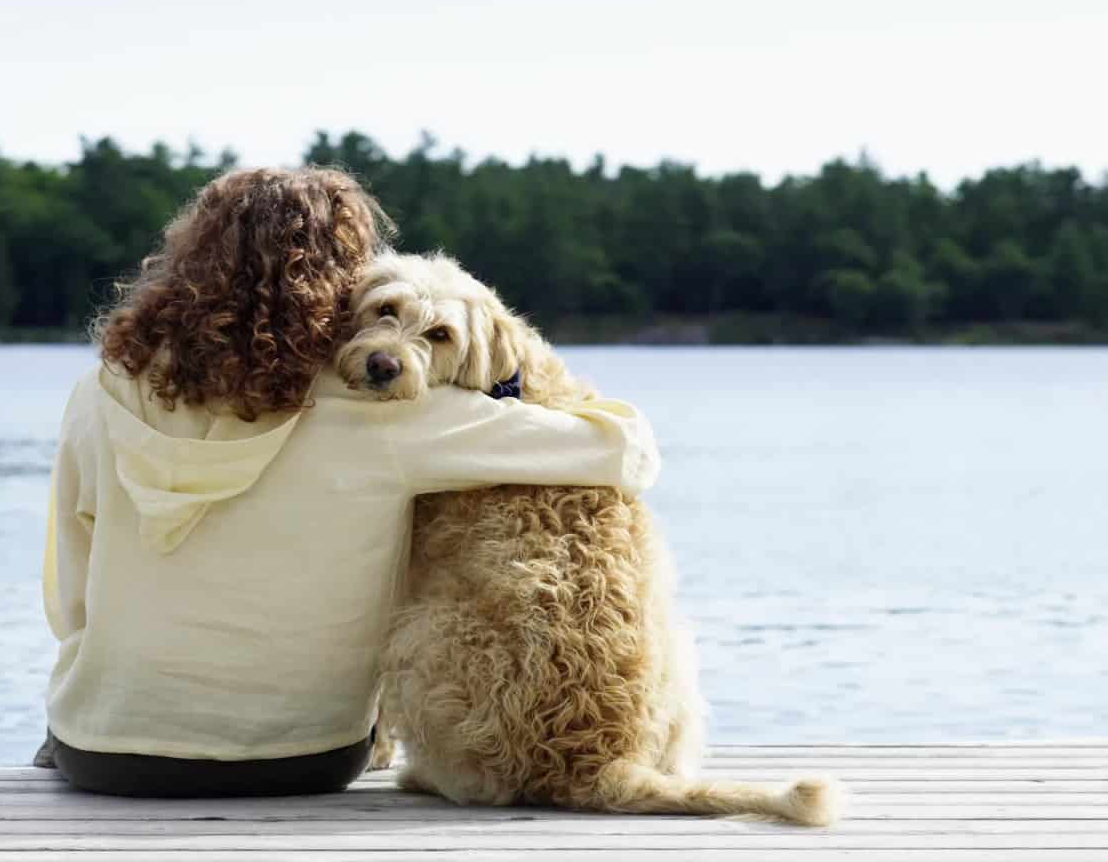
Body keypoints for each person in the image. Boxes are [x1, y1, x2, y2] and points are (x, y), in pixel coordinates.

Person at [37, 165, 659, 797]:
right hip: (303, 758)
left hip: (104, 752)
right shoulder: (388, 413)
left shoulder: (99, 391)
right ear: (337, 283)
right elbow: (625, 453)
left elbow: (70, 591)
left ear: (185, 262)